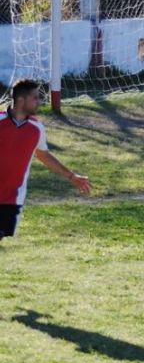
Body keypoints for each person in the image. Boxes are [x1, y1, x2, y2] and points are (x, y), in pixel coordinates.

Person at [0, 79, 92, 241]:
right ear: (21, 100)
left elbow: (44, 156)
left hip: (13, 199)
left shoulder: (36, 129)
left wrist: (72, 176)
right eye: (35, 98)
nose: (39, 102)